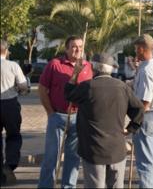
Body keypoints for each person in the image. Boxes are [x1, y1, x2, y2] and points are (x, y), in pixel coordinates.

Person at [64, 53, 144, 188]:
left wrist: (75, 74)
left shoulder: (87, 87)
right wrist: (131, 128)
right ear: (111, 69)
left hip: (93, 150)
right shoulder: (122, 87)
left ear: (93, 69)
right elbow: (139, 109)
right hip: (116, 148)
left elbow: (68, 94)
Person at [37, 35, 93, 188]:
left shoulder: (88, 67)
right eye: (74, 46)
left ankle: (68, 186)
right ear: (67, 49)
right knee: (51, 158)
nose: (78, 49)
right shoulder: (55, 64)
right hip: (58, 116)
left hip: (78, 118)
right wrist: (50, 112)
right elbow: (42, 90)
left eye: (81, 47)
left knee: (73, 158)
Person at [132, 34, 153, 188]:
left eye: (136, 48)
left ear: (141, 48)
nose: (135, 51)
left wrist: (134, 122)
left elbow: (145, 101)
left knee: (145, 162)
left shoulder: (146, 70)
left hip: (146, 116)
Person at [1, 40, 30, 186]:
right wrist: (20, 89)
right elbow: (23, 86)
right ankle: (9, 165)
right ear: (6, 51)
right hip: (10, 104)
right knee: (13, 136)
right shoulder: (13, 66)